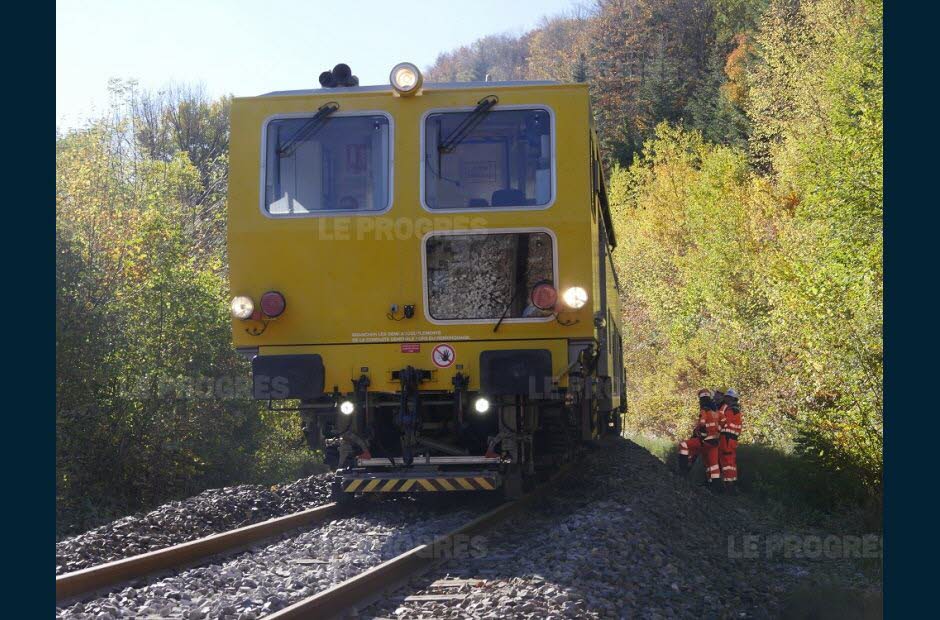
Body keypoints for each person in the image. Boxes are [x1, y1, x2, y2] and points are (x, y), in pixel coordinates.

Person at [678, 389, 721, 485]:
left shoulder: (704, 409)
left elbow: (702, 425)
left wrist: (699, 435)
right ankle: (716, 487)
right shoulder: (716, 411)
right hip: (714, 443)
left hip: (704, 442)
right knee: (713, 466)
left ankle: (683, 471)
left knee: (683, 445)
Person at [718, 388, 743, 493]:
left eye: (727, 397)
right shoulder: (735, 409)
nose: (726, 399)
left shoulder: (730, 409)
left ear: (732, 399)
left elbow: (724, 422)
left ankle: (729, 486)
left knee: (727, 461)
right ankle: (729, 484)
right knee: (729, 461)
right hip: (731, 439)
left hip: (727, 439)